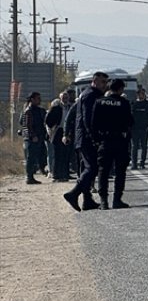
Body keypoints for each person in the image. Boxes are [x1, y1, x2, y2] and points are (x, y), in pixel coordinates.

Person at [63, 71, 109, 212]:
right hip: (87, 138)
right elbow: (88, 119)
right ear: (94, 81)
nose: (104, 85)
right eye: (102, 82)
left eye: (106, 83)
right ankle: (73, 193)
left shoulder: (90, 94)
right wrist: (94, 138)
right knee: (92, 168)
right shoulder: (91, 95)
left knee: (88, 168)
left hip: (84, 138)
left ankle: (87, 200)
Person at [92, 78, 134, 209]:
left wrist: (97, 140)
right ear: (121, 89)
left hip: (105, 140)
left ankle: (103, 201)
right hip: (120, 141)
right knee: (120, 172)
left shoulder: (99, 102)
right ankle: (117, 200)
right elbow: (130, 122)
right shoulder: (124, 103)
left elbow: (93, 123)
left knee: (103, 171)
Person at [44, 88, 75, 181]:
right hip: (58, 132)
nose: (65, 99)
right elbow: (47, 120)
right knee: (58, 154)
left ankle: (65, 174)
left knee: (66, 154)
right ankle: (56, 175)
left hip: (68, 132)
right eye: (63, 97)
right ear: (60, 98)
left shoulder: (71, 107)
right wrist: (52, 128)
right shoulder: (56, 108)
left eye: (66, 97)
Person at [19, 92, 48, 185]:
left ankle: (40, 170)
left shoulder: (39, 110)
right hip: (31, 138)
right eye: (37, 98)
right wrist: (32, 136)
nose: (39, 100)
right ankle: (29, 177)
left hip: (39, 137)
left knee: (40, 156)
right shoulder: (28, 111)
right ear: (32, 99)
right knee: (30, 158)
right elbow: (27, 126)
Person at [130, 87, 148, 169]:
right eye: (139, 94)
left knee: (144, 146)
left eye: (142, 94)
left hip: (144, 129)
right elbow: (129, 116)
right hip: (134, 129)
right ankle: (134, 163)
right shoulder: (133, 104)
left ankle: (142, 162)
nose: (141, 95)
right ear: (137, 95)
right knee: (134, 146)